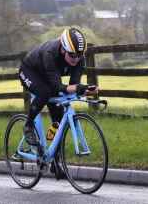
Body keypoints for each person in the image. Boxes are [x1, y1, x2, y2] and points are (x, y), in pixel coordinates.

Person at [19, 26, 99, 177]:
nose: (76, 58)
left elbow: (73, 86)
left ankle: (55, 162)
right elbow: (57, 86)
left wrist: (84, 89)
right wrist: (78, 87)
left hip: (50, 77)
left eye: (79, 54)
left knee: (60, 119)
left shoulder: (79, 59)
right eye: (73, 54)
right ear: (63, 49)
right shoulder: (51, 53)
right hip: (30, 71)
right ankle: (28, 124)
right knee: (44, 93)